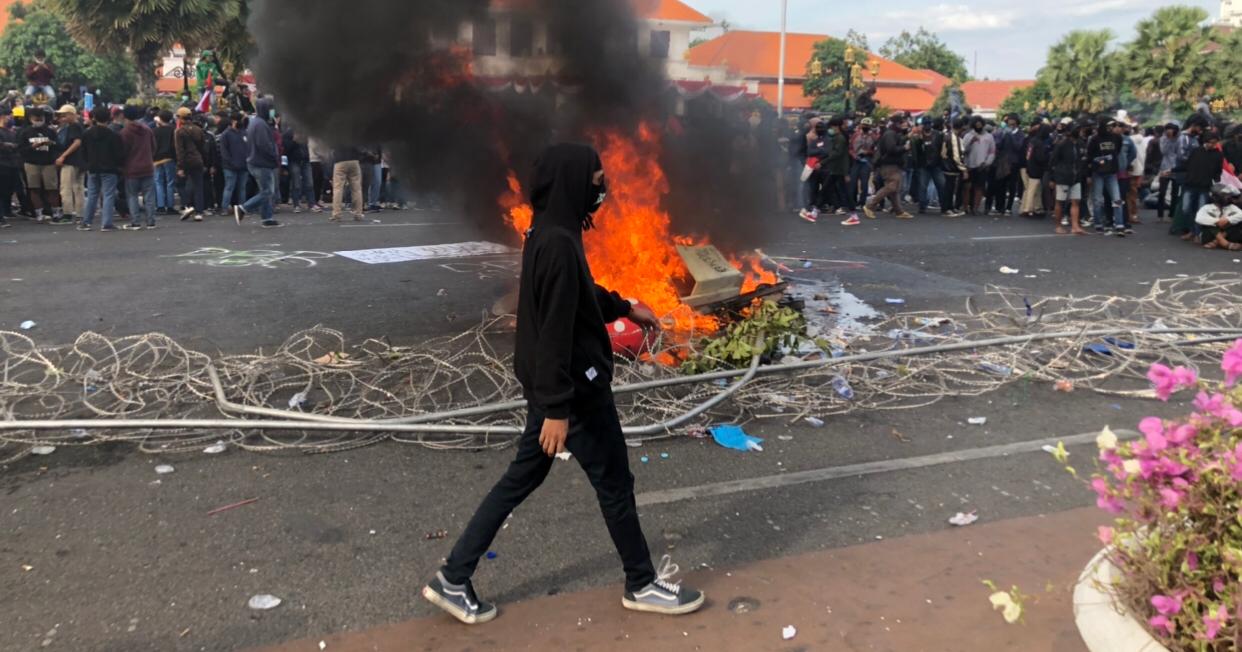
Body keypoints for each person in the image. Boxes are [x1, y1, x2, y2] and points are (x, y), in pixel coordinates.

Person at [423, 143, 704, 625]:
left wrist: (622, 305)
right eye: (597, 180)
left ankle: (453, 576)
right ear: (575, 182)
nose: (603, 190)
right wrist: (557, 408)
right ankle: (640, 583)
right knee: (614, 483)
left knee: (521, 478)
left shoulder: (551, 233)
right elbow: (554, 328)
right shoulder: (556, 241)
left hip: (554, 388)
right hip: (575, 391)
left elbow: (576, 291)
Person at [234, 98, 282, 228]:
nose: (273, 111)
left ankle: (267, 218)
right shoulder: (261, 125)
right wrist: (274, 156)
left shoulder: (256, 123)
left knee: (265, 191)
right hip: (262, 162)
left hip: (256, 161)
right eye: (271, 109)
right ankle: (243, 208)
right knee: (267, 192)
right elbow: (265, 145)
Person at [78, 106, 124, 232]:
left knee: (92, 195)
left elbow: (83, 152)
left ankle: (86, 222)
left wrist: (87, 164)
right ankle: (107, 223)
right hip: (109, 168)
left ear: (94, 118)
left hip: (93, 167)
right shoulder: (113, 135)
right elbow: (119, 153)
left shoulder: (87, 134)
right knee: (108, 195)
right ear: (108, 118)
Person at [17, 105, 63, 222]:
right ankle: (38, 212)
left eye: (40, 118)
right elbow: (21, 149)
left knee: (52, 189)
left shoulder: (50, 131)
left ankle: (56, 211)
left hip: (48, 163)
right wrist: (32, 147)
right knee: (34, 188)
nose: (38, 121)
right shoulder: (25, 132)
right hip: (31, 163)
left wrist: (51, 144)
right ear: (30, 118)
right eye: (35, 119)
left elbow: (59, 146)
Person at [862, 114, 911, 219]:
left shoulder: (892, 133)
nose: (904, 125)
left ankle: (899, 211)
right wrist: (905, 148)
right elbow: (891, 149)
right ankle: (870, 206)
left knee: (894, 189)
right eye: (902, 123)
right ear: (897, 123)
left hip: (892, 164)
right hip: (889, 164)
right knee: (892, 186)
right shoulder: (890, 134)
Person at [1178, 131, 1224, 241]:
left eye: (1215, 143)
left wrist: (1216, 183)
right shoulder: (1196, 151)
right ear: (1206, 141)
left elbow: (1218, 171)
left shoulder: (1218, 154)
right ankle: (1193, 230)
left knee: (1200, 211)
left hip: (1205, 186)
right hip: (1190, 184)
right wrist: (1172, 170)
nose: (1213, 145)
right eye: (1211, 142)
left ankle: (1197, 233)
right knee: (1186, 209)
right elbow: (1186, 165)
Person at [119, 105, 157, 230]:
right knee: (149, 195)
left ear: (124, 116)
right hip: (147, 165)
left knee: (132, 196)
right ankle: (151, 221)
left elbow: (123, 151)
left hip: (131, 168)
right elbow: (153, 147)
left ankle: (135, 221)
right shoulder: (147, 130)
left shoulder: (125, 132)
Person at [1050, 118, 1086, 236]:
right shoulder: (1062, 144)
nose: (1081, 131)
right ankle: (1058, 225)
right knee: (1060, 202)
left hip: (1076, 177)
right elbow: (1053, 161)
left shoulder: (1080, 143)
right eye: (1078, 129)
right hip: (1062, 176)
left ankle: (1075, 226)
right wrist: (1052, 178)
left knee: (1075, 201)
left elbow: (1081, 159)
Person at [173, 107, 208, 221]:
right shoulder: (199, 129)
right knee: (198, 186)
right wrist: (204, 162)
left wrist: (180, 167)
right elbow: (203, 148)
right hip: (198, 160)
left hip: (186, 161)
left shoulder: (180, 131)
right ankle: (199, 212)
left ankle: (187, 205)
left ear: (181, 118)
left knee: (180, 184)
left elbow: (180, 151)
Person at [54, 104, 86, 223]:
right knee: (78, 187)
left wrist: (63, 155)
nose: (62, 118)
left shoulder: (73, 127)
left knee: (66, 187)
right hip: (81, 161)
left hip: (71, 161)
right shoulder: (81, 126)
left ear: (72, 114)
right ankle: (80, 214)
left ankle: (67, 213)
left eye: (65, 115)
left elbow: (77, 142)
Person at [961, 116, 995, 215]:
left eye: (980, 124)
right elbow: (963, 150)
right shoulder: (968, 136)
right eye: (976, 124)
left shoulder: (989, 137)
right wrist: (971, 142)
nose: (978, 126)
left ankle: (975, 207)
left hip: (982, 165)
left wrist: (987, 162)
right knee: (967, 187)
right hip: (969, 165)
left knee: (979, 187)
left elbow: (992, 151)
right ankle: (965, 207)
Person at [1196, 183, 1242, 250]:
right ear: (1217, 196)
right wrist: (1217, 221)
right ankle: (1224, 243)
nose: (1228, 198)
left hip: (1228, 234)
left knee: (1236, 223)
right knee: (1209, 224)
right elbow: (1199, 219)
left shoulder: (1231, 207)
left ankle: (1217, 241)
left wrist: (1228, 220)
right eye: (1225, 196)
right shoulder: (1207, 207)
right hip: (1209, 236)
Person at [218, 111, 249, 211]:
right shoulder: (226, 134)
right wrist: (231, 162)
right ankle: (225, 208)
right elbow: (224, 152)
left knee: (242, 189)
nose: (241, 122)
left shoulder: (244, 132)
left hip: (243, 166)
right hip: (230, 167)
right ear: (233, 121)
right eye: (239, 120)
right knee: (229, 187)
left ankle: (242, 209)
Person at [1021, 122, 1051, 217]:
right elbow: (1040, 157)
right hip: (1036, 168)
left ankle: (1028, 208)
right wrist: (1047, 155)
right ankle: (1029, 209)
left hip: (1029, 165)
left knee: (1030, 188)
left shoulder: (1032, 141)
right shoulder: (1040, 143)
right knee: (1033, 189)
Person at [283, 126, 315, 213]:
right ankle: (296, 204)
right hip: (294, 161)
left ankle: (311, 204)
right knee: (296, 184)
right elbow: (286, 149)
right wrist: (294, 141)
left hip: (305, 160)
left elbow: (306, 145)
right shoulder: (288, 133)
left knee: (310, 183)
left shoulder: (304, 131)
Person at [940, 118, 968, 217]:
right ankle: (947, 209)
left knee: (949, 188)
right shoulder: (953, 138)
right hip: (951, 167)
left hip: (947, 166)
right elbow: (956, 156)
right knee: (949, 189)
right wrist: (964, 169)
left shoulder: (948, 136)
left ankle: (949, 208)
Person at [330, 144, 366, 222]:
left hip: (340, 161)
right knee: (357, 189)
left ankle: (337, 214)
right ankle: (358, 214)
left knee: (338, 189)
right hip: (354, 160)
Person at [152, 110, 177, 215]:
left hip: (157, 159)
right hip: (170, 158)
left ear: (160, 119)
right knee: (170, 182)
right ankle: (170, 206)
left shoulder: (154, 131)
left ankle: (160, 206)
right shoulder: (174, 130)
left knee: (158, 181)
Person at [849, 118, 877, 210]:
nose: (865, 127)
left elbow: (875, 150)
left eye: (867, 125)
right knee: (853, 182)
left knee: (864, 183)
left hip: (866, 161)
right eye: (864, 125)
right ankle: (852, 202)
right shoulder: (855, 135)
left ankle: (862, 202)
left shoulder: (873, 137)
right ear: (861, 125)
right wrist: (854, 155)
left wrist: (868, 152)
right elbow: (850, 148)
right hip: (856, 161)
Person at [0, 108, 19, 228]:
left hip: (10, 164)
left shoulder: (10, 132)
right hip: (2, 163)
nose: (9, 118)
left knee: (6, 191)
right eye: (7, 116)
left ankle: (6, 211)